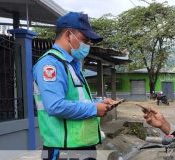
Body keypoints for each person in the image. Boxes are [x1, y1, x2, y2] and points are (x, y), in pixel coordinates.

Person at [33, 12, 115, 160]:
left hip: (82, 146)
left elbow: (76, 99)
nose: (87, 45)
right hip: (63, 150)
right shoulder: (50, 65)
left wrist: (98, 103)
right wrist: (94, 109)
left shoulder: (72, 64)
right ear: (68, 34)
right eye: (85, 39)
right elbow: (55, 106)